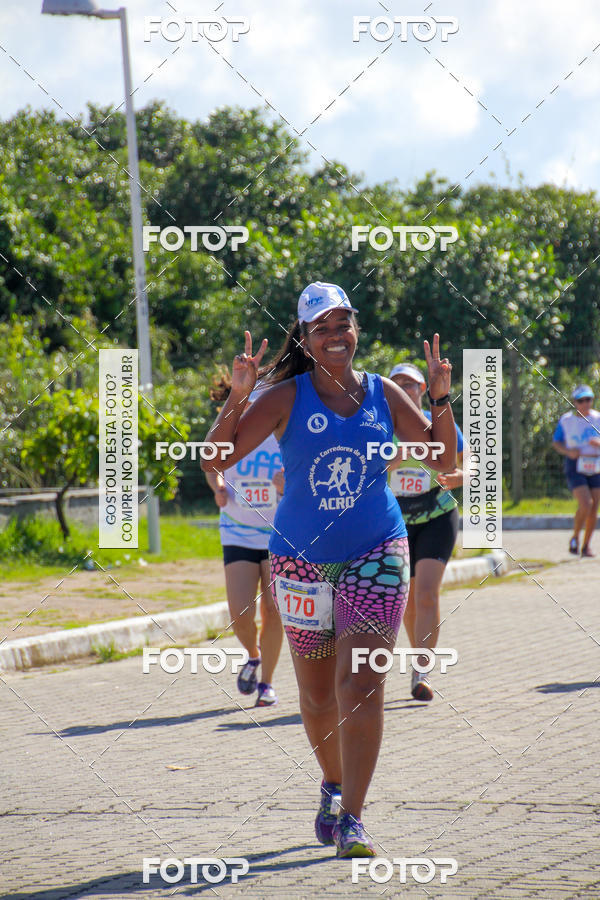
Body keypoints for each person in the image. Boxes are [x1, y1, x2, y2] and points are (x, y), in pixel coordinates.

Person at [202, 281, 457, 857]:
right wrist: (238, 395)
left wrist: (440, 398)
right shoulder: (285, 396)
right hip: (298, 561)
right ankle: (333, 785)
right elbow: (215, 458)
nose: (336, 335)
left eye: (343, 323)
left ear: (355, 330)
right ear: (306, 339)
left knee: (361, 685)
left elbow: (444, 461)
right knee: (317, 697)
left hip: (377, 552)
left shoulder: (385, 394)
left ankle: (354, 820)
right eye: (322, 328)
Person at [386, 363, 464, 702]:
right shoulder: (378, 427)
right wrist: (394, 459)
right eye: (398, 383)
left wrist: (459, 476)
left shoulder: (437, 423)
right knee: (407, 601)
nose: (405, 388)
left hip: (437, 514)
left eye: (411, 384)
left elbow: (468, 461)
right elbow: (362, 468)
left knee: (427, 593)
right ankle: (419, 654)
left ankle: (422, 670)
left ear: (421, 389)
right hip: (395, 521)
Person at [205, 378, 284, 706]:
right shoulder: (231, 430)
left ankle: (266, 682)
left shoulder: (285, 433)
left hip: (278, 533)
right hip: (237, 530)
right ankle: (253, 656)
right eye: (251, 400)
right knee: (240, 612)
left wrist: (287, 482)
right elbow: (212, 463)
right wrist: (217, 487)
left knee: (273, 609)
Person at [552, 384, 600, 557]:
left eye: (588, 399)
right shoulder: (566, 420)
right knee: (586, 503)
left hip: (595, 464)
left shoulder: (598, 418)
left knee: (594, 508)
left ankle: (586, 546)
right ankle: (575, 537)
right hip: (575, 465)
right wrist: (567, 451)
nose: (585, 403)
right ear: (575, 402)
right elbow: (556, 442)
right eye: (581, 400)